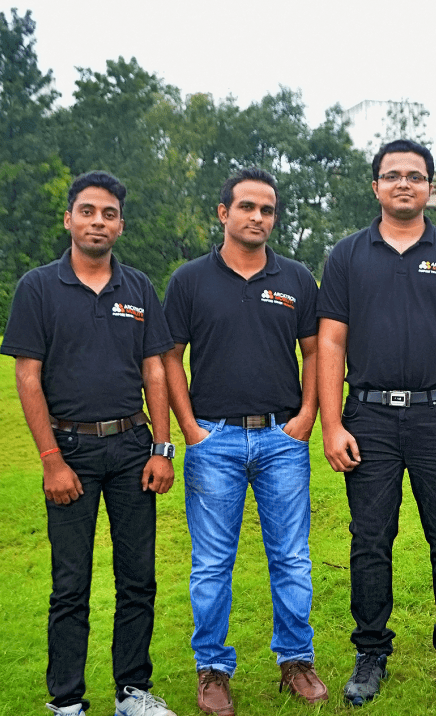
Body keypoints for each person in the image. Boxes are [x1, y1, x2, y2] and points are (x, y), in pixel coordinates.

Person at [316, 139, 436, 705]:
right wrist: (331, 424)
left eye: (415, 176)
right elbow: (331, 341)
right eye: (392, 175)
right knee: (371, 539)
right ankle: (371, 652)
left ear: (429, 186)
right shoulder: (346, 255)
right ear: (375, 187)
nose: (403, 183)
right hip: (366, 416)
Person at [1, 171, 177, 716]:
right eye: (87, 211)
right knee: (71, 584)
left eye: (108, 214)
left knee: (137, 579)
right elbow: (28, 378)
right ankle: (67, 702)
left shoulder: (139, 287)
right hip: (70, 454)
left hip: (132, 449)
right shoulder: (38, 287)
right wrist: (51, 460)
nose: (97, 221)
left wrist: (162, 448)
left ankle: (132, 692)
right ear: (69, 218)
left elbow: (155, 370)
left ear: (120, 225)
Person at [163, 167, 325, 714]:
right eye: (247, 207)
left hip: (282, 438)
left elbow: (315, 352)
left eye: (268, 209)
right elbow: (169, 359)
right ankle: (212, 670)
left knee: (293, 559)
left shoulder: (297, 279)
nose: (258, 217)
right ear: (223, 213)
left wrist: (307, 417)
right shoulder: (189, 280)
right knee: (211, 563)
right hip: (216, 441)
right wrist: (190, 430)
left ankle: (296, 662)